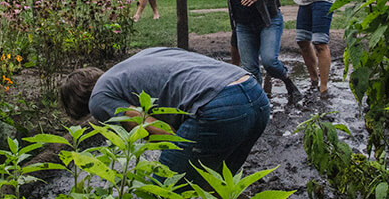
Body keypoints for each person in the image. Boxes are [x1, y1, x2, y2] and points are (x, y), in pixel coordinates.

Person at [59, 47, 270, 187]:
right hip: (254, 95)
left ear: (80, 105)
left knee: (159, 195)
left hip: (217, 106)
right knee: (217, 187)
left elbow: (157, 130)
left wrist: (168, 163)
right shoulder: (140, 59)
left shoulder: (98, 99)